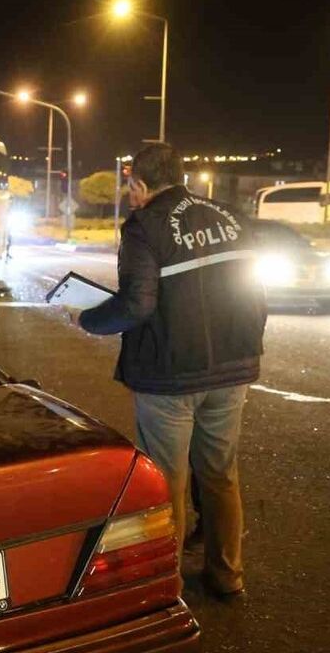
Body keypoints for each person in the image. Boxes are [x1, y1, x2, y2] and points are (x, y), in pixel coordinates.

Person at [74, 143, 267, 601]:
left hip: (170, 376)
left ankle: (165, 586)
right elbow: (256, 292)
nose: (130, 195)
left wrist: (85, 319)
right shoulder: (229, 216)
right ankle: (227, 574)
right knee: (220, 474)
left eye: (131, 187)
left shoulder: (145, 227)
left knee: (166, 483)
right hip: (232, 368)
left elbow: (137, 305)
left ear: (139, 185)